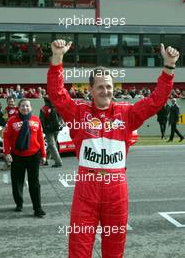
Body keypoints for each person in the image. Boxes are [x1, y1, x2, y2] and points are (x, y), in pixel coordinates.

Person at [47, 39, 179, 258]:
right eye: (100, 87)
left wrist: (169, 67)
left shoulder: (127, 114)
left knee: (114, 251)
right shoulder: (78, 113)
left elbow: (156, 100)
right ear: (90, 89)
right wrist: (58, 58)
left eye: (109, 86)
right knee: (78, 250)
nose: (106, 91)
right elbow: (57, 94)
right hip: (85, 192)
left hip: (116, 191)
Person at [3, 99, 46, 218]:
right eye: (22, 106)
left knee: (35, 183)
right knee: (17, 181)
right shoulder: (12, 121)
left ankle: (37, 208)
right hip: (17, 156)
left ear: (31, 107)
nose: (25, 108)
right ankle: (19, 203)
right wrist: (7, 153)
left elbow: (40, 139)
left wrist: (43, 154)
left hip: (34, 156)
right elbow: (6, 138)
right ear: (18, 108)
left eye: (27, 106)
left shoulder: (36, 120)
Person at [39, 96, 63, 167]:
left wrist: (43, 129)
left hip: (48, 129)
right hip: (57, 128)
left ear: (45, 101)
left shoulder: (43, 109)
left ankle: (58, 162)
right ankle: (46, 160)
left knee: (51, 145)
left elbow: (41, 120)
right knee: (52, 144)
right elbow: (61, 116)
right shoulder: (56, 107)